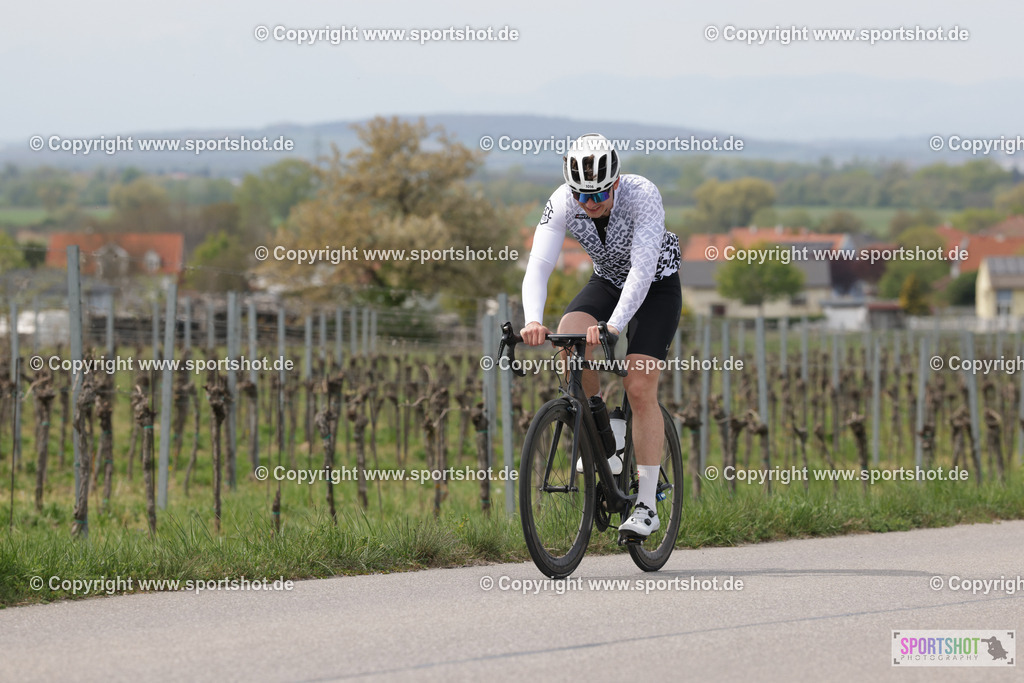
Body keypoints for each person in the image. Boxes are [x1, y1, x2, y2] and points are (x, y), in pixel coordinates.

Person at [520, 133, 682, 538]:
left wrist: (614, 326)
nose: (590, 205)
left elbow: (642, 273)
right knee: (570, 341)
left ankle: (646, 504)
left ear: (615, 182)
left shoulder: (642, 194)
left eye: (599, 195)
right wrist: (532, 320)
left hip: (655, 286)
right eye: (582, 196)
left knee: (639, 384)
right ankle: (604, 437)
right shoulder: (562, 202)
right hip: (608, 280)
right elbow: (538, 265)